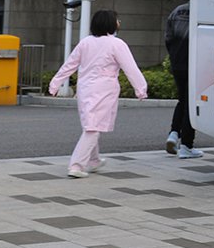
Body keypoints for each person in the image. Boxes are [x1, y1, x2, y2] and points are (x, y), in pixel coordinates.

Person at [48, 9, 148, 179]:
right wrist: (141, 89)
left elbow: (70, 65)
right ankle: (76, 165)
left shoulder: (85, 42)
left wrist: (55, 83)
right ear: (110, 23)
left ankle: (93, 161)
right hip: (104, 90)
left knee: (91, 124)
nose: (119, 23)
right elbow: (131, 68)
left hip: (85, 89)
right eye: (117, 20)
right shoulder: (117, 44)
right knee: (93, 127)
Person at [162, 2, 202, 159]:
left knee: (182, 100)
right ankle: (186, 145)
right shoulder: (202, 10)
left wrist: (174, 56)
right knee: (191, 104)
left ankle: (173, 133)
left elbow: (168, 38)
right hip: (194, 63)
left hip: (177, 63)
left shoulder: (177, 11)